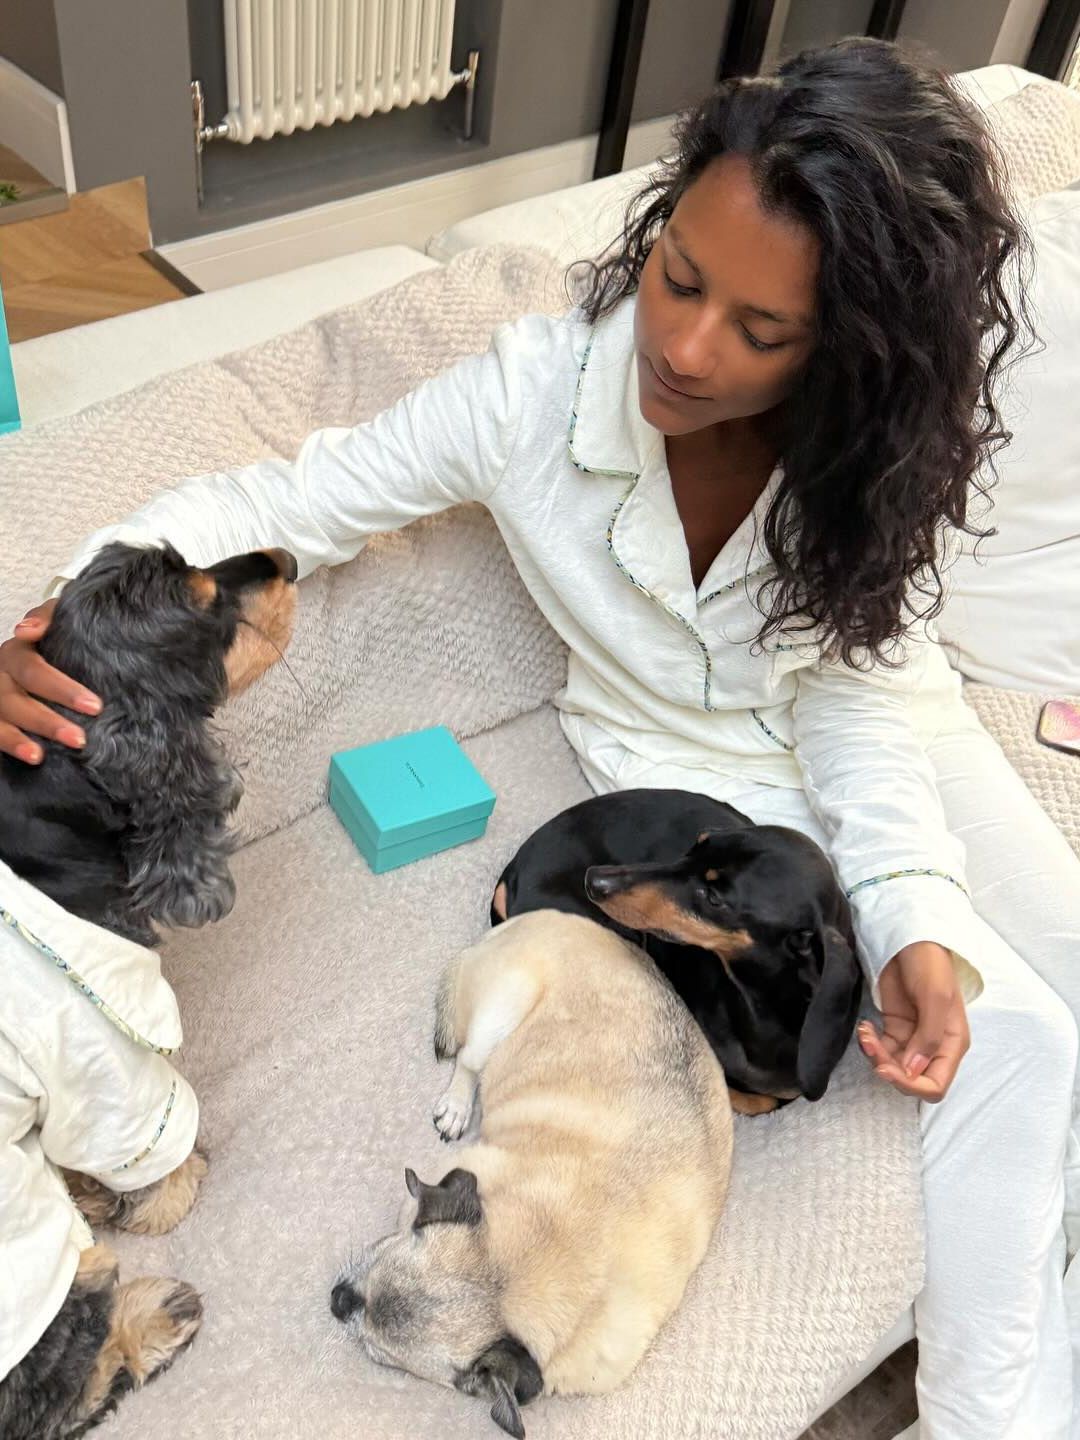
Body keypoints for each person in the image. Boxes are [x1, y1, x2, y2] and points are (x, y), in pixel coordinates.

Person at [1, 36, 1078, 1439]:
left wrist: (915, 901)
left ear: (856, 349)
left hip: (886, 731)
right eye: (678, 278)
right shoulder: (533, 396)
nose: (685, 349)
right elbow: (292, 495)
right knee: (1022, 1046)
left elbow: (863, 699)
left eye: (760, 332)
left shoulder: (865, 456)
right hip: (703, 780)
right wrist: (64, 618)